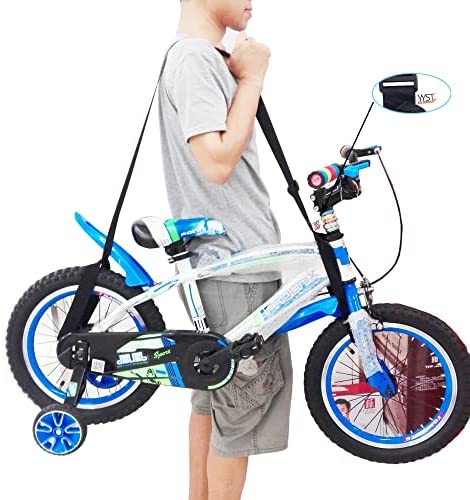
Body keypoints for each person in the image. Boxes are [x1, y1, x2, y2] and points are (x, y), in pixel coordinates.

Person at [157, 1, 293, 499]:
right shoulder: (195, 58)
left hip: (223, 265)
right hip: (236, 268)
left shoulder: (196, 55)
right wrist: (252, 78)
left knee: (213, 402)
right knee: (242, 410)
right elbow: (215, 163)